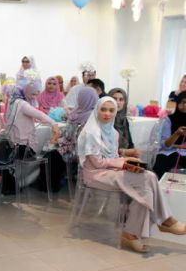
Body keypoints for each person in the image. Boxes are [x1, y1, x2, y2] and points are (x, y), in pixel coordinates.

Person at [77, 96, 186, 253]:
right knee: (144, 183)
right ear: (96, 110)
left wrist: (127, 160)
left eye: (111, 110)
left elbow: (113, 156)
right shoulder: (91, 132)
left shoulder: (113, 133)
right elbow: (97, 163)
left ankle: (136, 231)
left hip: (112, 171)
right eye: (103, 109)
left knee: (149, 177)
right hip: (95, 175)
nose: (107, 114)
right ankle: (163, 221)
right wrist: (124, 163)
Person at [49, 86, 99, 190]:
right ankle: (57, 182)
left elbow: (78, 139)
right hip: (72, 147)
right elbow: (68, 134)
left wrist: (60, 142)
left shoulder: (92, 117)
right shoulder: (76, 112)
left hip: (80, 151)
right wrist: (59, 139)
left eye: (81, 97)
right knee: (50, 152)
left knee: (52, 155)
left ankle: (52, 186)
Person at [153, 91, 186, 178]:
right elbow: (165, 146)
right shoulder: (169, 120)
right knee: (161, 162)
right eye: (183, 102)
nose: (185, 105)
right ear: (178, 103)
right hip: (170, 152)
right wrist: (177, 134)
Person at [108, 88, 140, 158]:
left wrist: (133, 152)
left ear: (125, 102)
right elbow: (105, 148)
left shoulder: (124, 120)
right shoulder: (106, 118)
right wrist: (124, 151)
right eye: (114, 99)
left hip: (124, 157)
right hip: (109, 158)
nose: (117, 102)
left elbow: (130, 143)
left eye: (121, 99)